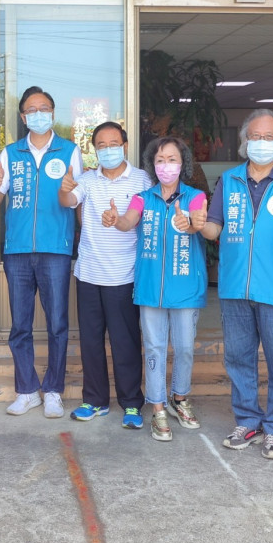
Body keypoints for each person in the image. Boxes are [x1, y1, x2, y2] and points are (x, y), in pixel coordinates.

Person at [200, 110, 273, 460]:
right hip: (235, 286)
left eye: (269, 137)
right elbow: (215, 228)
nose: (262, 143)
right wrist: (197, 225)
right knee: (238, 358)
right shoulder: (229, 180)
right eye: (255, 136)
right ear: (244, 141)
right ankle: (248, 420)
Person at [0, 86, 82, 418]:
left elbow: (77, 199)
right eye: (31, 109)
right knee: (20, 325)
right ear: (24, 116)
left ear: (53, 114)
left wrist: (69, 194)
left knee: (57, 322)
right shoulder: (9, 153)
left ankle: (53, 390)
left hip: (56, 248)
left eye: (44, 108)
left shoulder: (69, 151)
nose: (38, 114)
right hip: (18, 250)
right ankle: (27, 390)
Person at [107, 136, 206, 441]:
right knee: (154, 349)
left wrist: (190, 223)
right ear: (153, 164)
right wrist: (115, 220)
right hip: (150, 287)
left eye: (172, 159)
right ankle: (158, 407)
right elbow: (128, 222)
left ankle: (179, 398)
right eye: (160, 160)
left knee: (186, 347)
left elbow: (198, 223)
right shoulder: (143, 197)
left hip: (186, 286)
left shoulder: (195, 197)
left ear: (182, 164)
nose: (166, 166)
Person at [59, 122, 151, 429]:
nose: (108, 149)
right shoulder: (87, 179)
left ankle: (131, 403)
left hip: (124, 275)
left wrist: (120, 219)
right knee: (91, 341)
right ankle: (94, 400)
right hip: (88, 273)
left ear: (125, 145)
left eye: (114, 143)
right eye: (101, 144)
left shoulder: (141, 179)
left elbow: (144, 220)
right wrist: (64, 191)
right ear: (94, 150)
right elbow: (69, 201)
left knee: (125, 341)